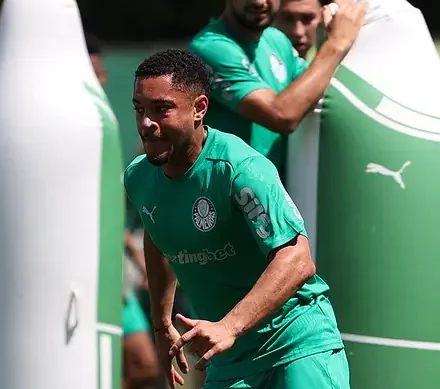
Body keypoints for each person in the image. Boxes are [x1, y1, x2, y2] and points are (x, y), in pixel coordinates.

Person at [125, 48, 349, 389]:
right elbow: (158, 236)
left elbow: (297, 259)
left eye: (161, 109)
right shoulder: (139, 178)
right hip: (228, 360)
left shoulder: (240, 169)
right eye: (139, 109)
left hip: (297, 346)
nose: (146, 123)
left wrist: (229, 326)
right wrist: (161, 323)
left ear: (199, 108)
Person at [189, 0, 368, 178]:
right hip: (227, 196)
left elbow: (318, 88)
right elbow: (282, 115)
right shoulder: (210, 47)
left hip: (273, 193)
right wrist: (337, 43)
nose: (259, 2)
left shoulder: (276, 39)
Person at [85, 32, 159, 389]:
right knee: (139, 364)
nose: (100, 80)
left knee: (146, 367)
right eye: (92, 72)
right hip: (90, 273)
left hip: (116, 272)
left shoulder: (104, 124)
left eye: (101, 73)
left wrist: (134, 254)